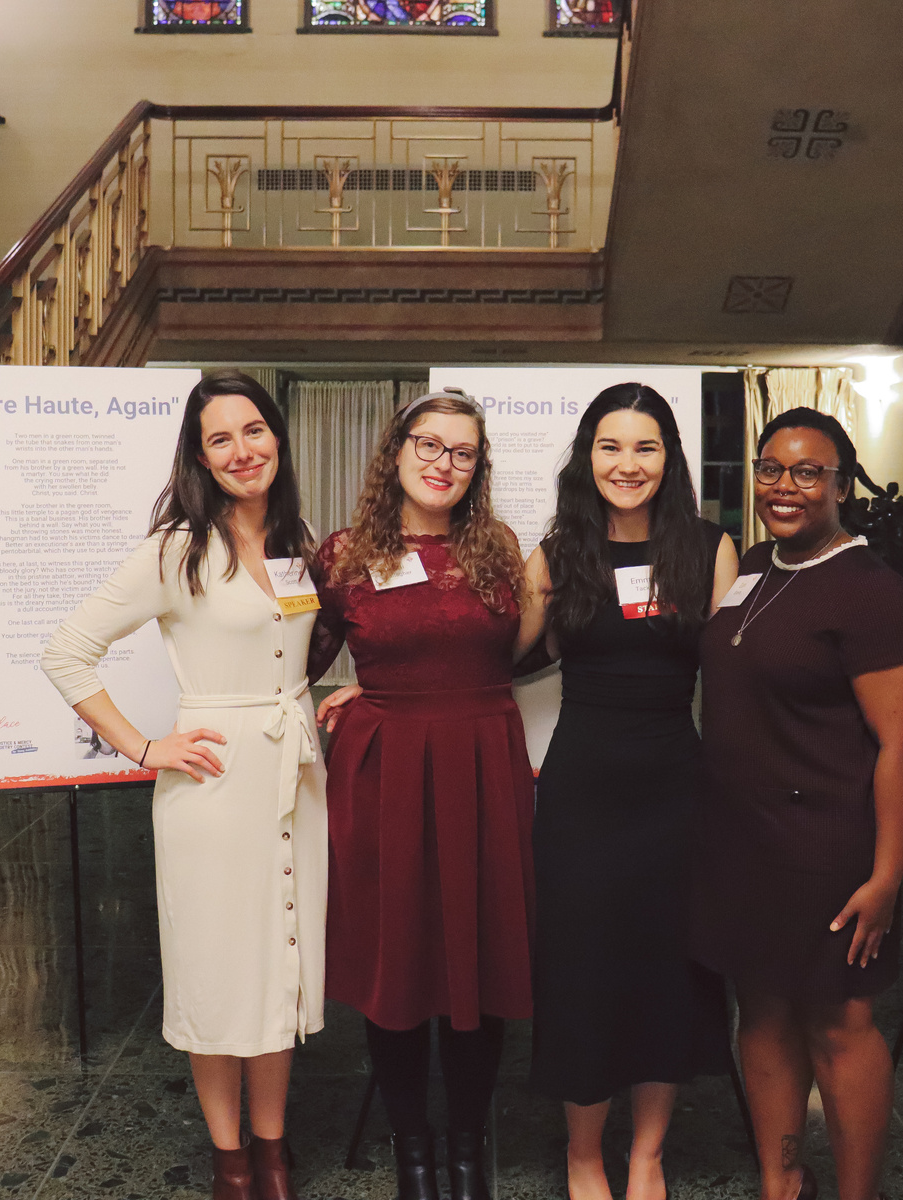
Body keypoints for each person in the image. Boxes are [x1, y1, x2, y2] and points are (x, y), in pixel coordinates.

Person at [40, 371, 325, 1200]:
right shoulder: (176, 549)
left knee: (280, 963)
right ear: (199, 457)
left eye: (255, 430)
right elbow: (67, 651)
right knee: (217, 967)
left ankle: (273, 1147)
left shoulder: (295, 539)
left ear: (277, 436)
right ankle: (231, 1156)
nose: (244, 450)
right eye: (221, 439)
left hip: (296, 779)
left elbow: (294, 654)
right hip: (215, 784)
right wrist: (142, 745)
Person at [693, 407, 903, 1200]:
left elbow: (901, 743)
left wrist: (888, 877)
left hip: (825, 841)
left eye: (807, 471)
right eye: (771, 468)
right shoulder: (759, 563)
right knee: (759, 1011)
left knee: (839, 1022)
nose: (784, 486)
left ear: (841, 484)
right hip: (741, 838)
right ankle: (780, 1181)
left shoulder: (870, 591)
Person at [513, 383, 739, 1200]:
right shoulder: (555, 553)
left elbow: (741, 676)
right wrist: (382, 684)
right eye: (611, 447)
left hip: (676, 790)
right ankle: (582, 1155)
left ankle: (647, 1153)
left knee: (668, 968)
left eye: (645, 447)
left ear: (669, 459)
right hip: (582, 793)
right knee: (584, 970)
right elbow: (492, 658)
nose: (627, 464)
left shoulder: (709, 548)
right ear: (587, 456)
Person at [309, 389, 532, 1200]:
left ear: (478, 468)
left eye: (462, 452)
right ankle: (413, 1148)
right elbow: (293, 659)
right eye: (429, 446)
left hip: (483, 761)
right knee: (394, 958)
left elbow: (528, 652)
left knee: (483, 952)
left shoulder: (499, 548)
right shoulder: (342, 554)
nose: (444, 463)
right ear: (396, 452)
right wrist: (350, 693)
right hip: (385, 770)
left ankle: (468, 1146)